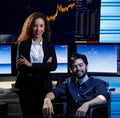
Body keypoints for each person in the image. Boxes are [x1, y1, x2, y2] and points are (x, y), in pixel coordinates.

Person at [14, 12, 57, 118]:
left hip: (44, 87)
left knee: (43, 115)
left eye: (41, 26)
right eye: (35, 25)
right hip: (26, 88)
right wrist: (43, 66)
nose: (38, 29)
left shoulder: (50, 45)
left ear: (45, 28)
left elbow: (53, 66)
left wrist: (30, 65)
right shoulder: (23, 44)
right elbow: (20, 67)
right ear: (30, 27)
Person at [42, 52, 108, 118]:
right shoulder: (68, 82)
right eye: (74, 66)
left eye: (81, 65)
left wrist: (87, 104)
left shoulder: (98, 82)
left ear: (87, 66)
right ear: (71, 70)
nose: (78, 68)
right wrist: (47, 99)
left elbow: (102, 98)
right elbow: (53, 92)